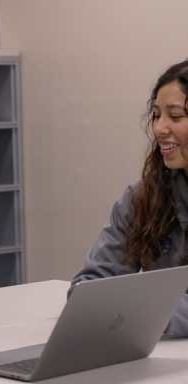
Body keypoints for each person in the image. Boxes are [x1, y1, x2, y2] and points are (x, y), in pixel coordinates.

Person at [71, 59, 188, 336]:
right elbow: (89, 287)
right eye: (156, 114)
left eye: (175, 116)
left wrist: (136, 314)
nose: (159, 128)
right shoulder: (141, 197)